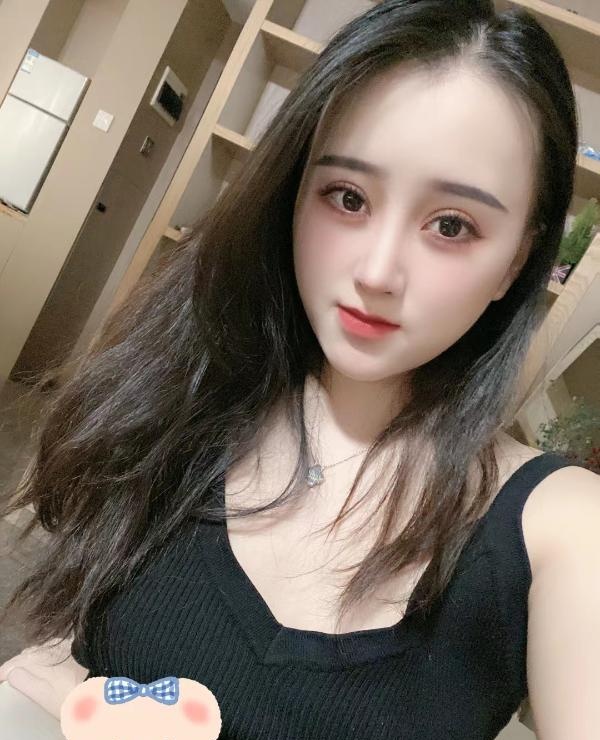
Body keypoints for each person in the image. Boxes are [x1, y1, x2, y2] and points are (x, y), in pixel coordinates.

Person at [1, 1, 599, 738]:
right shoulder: (186, 396)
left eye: (451, 226)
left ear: (516, 260)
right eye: (347, 198)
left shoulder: (564, 528)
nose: (377, 271)